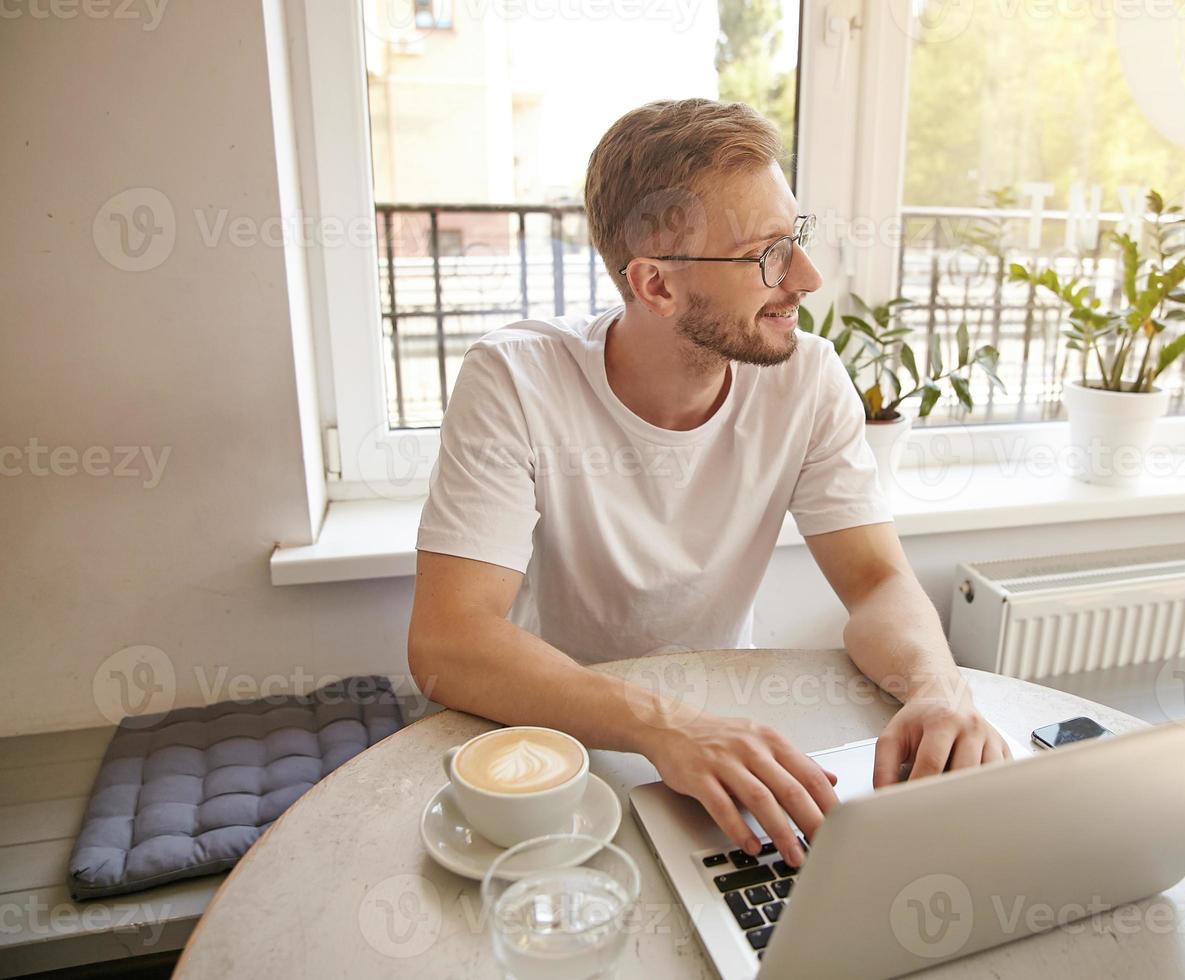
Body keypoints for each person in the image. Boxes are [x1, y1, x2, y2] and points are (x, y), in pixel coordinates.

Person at [408, 98, 1010, 871]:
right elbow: (447, 644)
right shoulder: (515, 380)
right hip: (553, 752)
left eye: (795, 240)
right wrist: (669, 727)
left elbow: (876, 581)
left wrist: (937, 687)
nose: (806, 278)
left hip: (718, 745)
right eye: (767, 255)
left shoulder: (809, 378)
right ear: (655, 286)